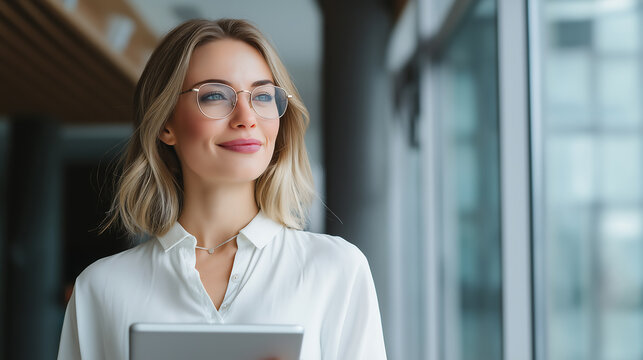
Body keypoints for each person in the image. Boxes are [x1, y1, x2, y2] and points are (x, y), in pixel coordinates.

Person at [57, 18, 386, 360]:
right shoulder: (101, 289)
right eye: (215, 95)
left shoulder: (336, 269)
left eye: (262, 96)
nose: (247, 117)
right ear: (166, 123)